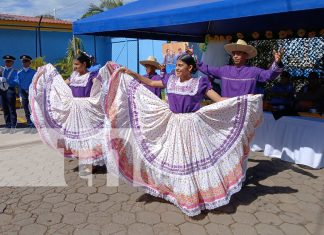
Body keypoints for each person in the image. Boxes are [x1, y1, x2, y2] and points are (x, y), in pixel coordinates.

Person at [103, 53, 263, 216]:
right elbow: (151, 82)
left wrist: (244, 100)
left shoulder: (200, 83)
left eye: (180, 65)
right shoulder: (170, 80)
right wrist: (132, 74)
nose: (177, 68)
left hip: (192, 126)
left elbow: (220, 100)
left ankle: (196, 195)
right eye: (177, 65)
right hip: (174, 125)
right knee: (176, 159)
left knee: (192, 161)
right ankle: (180, 193)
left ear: (190, 68)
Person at [30, 52, 111, 176]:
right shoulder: (73, 76)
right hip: (74, 111)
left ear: (84, 64)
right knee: (77, 138)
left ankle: (92, 164)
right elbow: (60, 85)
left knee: (88, 137)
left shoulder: (91, 76)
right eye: (74, 64)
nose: (74, 67)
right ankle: (85, 162)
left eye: (77, 64)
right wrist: (43, 79)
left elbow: (103, 85)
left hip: (87, 111)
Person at [187, 39, 284, 97]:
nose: (235, 56)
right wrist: (192, 57)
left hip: (245, 114)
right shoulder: (224, 70)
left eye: (239, 53)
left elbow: (269, 75)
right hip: (227, 112)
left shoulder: (253, 71)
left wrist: (277, 62)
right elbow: (206, 68)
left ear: (246, 55)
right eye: (234, 54)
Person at [17, 55, 36, 131]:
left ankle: (34, 123)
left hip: (31, 92)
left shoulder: (34, 72)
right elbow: (19, 85)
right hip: (23, 92)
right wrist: (20, 95)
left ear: (29, 62)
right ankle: (29, 123)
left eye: (26, 61)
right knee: (26, 109)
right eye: (23, 61)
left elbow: (36, 83)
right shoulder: (19, 73)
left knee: (33, 109)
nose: (24, 63)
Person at [0, 55, 18, 134]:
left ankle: (13, 125)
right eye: (6, 61)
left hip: (10, 90)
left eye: (9, 61)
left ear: (12, 62)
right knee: (5, 108)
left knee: (11, 108)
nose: (7, 63)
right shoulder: (2, 70)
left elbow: (16, 81)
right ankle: (8, 124)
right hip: (2, 91)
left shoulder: (14, 71)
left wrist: (6, 80)